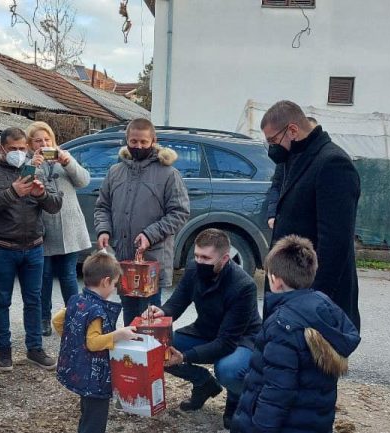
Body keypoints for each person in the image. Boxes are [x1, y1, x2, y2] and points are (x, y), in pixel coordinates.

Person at [232, 235, 361, 433]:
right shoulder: (323, 306)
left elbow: (277, 391)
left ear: (275, 280)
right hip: (314, 421)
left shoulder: (281, 325)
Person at [141, 229, 261, 429]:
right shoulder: (193, 269)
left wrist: (184, 357)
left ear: (224, 258)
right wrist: (161, 312)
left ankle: (235, 399)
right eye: (196, 255)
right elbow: (177, 303)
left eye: (206, 257)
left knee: (228, 370)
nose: (199, 261)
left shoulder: (243, 286)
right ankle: (203, 382)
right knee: (157, 349)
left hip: (241, 339)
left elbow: (226, 343)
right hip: (205, 331)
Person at [260, 101, 361, 329]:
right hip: (289, 283)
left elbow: (335, 242)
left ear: (293, 130)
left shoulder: (333, 163)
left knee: (310, 360)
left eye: (273, 141)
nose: (272, 148)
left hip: (313, 291)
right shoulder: (292, 156)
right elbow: (277, 189)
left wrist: (314, 300)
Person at [0, 127, 63, 371]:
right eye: (13, 149)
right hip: (3, 247)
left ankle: (35, 349)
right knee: (1, 300)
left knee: (33, 300)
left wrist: (42, 195)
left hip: (33, 248)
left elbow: (55, 205)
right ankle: (4, 351)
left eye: (23, 149)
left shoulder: (35, 170)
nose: (19, 153)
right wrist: (12, 193)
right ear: (1, 149)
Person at [94, 118, 190, 325]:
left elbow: (180, 212)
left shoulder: (169, 174)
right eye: (134, 141)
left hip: (151, 260)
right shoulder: (115, 172)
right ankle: (130, 357)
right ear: (127, 140)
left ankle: (155, 356)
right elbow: (103, 207)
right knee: (129, 318)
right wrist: (104, 230)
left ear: (153, 141)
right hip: (123, 258)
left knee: (149, 321)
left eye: (143, 142)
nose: (138, 146)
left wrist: (149, 234)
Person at [52, 252, 138, 433]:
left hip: (79, 371)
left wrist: (75, 343)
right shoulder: (97, 310)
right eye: (114, 284)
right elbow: (93, 343)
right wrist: (118, 335)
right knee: (95, 421)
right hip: (95, 377)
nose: (114, 289)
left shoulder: (77, 299)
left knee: (87, 411)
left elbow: (58, 321)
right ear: (106, 281)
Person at [26, 121, 92, 337]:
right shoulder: (28, 163)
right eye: (38, 141)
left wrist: (67, 162)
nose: (44, 144)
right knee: (43, 276)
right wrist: (33, 165)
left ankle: (73, 318)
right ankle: (43, 318)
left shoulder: (66, 158)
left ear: (53, 141)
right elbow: (22, 185)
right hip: (42, 227)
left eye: (47, 140)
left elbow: (83, 181)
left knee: (68, 275)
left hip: (69, 226)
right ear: (30, 144)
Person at [266, 116, 316, 230]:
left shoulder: (321, 161)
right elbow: (276, 186)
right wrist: (272, 215)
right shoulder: (285, 158)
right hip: (285, 221)